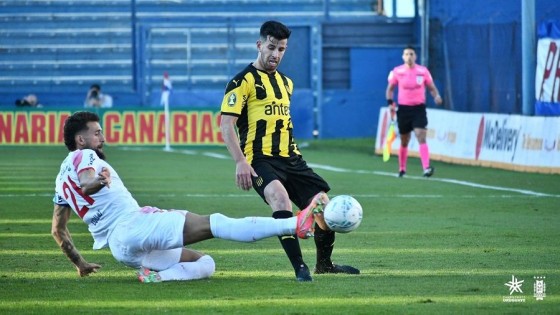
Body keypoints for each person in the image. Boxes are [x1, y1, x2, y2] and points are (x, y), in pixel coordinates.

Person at [52, 111, 320, 283]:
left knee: (205, 263)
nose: (102, 138)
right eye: (96, 133)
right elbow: (87, 183)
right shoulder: (83, 155)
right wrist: (99, 180)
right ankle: (293, 224)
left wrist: (80, 263)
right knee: (215, 223)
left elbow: (58, 230)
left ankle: (160, 278)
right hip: (133, 225)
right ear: (80, 140)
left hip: (121, 248)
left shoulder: (59, 181)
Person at [219, 20, 359, 282]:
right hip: (259, 159)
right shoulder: (241, 81)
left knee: (324, 209)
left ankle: (324, 265)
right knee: (279, 199)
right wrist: (240, 161)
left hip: (291, 159)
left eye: (281, 49)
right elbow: (226, 124)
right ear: (260, 45)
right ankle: (300, 268)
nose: (276, 54)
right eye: (271, 47)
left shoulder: (286, 83)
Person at [385, 45, 443, 178]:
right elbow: (390, 89)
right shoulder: (397, 71)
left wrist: (437, 96)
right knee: (404, 140)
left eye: (411, 54)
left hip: (418, 108)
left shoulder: (423, 71)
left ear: (415, 56)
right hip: (404, 109)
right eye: (406, 54)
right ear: (403, 57)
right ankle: (402, 168)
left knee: (420, 135)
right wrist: (390, 103)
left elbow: (431, 87)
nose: (409, 56)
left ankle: (426, 167)